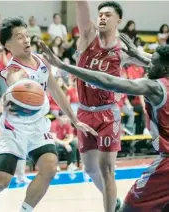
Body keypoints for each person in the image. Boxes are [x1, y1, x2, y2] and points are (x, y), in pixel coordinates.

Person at [0, 17, 96, 212]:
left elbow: (55, 90)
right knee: (1, 182)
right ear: (8, 45)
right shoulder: (14, 69)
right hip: (15, 128)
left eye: (27, 36)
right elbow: (14, 80)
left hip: (38, 126)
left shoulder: (41, 60)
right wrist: (15, 89)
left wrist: (74, 119)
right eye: (20, 37)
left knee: (50, 166)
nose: (26, 40)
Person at [40, 33, 169, 212]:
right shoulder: (162, 76)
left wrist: (63, 66)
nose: (148, 65)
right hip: (163, 156)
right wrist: (138, 54)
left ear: (165, 69)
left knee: (129, 207)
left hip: (166, 164)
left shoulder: (154, 86)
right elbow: (155, 62)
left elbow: (109, 81)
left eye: (153, 62)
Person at [67, 1, 151, 211]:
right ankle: (113, 201)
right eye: (100, 14)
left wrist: (139, 53)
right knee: (90, 169)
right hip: (84, 112)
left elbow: (156, 62)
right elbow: (80, 4)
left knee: (106, 169)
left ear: (118, 20)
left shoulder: (123, 50)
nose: (102, 17)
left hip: (107, 113)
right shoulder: (87, 37)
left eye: (107, 15)